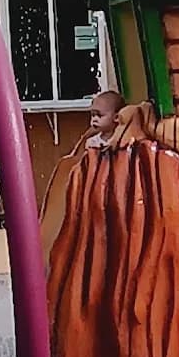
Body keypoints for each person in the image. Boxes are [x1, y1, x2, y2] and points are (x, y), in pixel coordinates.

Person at [39, 90, 125, 266]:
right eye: (92, 114)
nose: (93, 119)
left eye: (99, 115)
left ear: (116, 118)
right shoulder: (91, 142)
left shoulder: (121, 142)